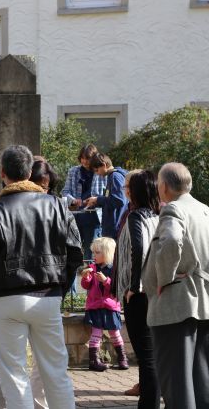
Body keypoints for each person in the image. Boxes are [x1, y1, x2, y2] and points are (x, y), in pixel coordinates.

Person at [0, 145, 82, 409]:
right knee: (56, 373)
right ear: (30, 171)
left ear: (3, 173)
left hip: (5, 299)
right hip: (47, 296)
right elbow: (75, 252)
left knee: (14, 377)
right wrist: (59, 289)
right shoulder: (56, 206)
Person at [142, 162, 209, 409]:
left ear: (164, 186)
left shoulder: (173, 210)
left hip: (175, 306)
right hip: (204, 303)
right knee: (201, 380)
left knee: (177, 384)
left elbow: (171, 240)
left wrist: (165, 277)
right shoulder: (205, 210)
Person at [113, 170, 160, 406]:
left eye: (128, 186)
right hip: (153, 290)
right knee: (150, 355)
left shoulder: (135, 217)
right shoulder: (158, 214)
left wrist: (132, 287)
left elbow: (137, 251)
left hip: (138, 294)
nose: (125, 190)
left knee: (146, 356)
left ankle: (148, 403)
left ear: (136, 190)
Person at [81, 237, 128, 371]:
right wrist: (86, 278)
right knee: (96, 333)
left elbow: (115, 288)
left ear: (107, 253)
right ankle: (93, 360)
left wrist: (105, 280)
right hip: (95, 306)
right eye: (93, 252)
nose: (93, 255)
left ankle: (122, 358)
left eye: (97, 252)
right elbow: (86, 285)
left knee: (115, 333)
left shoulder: (114, 269)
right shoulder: (92, 267)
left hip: (110, 306)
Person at [62, 144, 106, 260]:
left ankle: (90, 277)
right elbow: (65, 192)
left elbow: (105, 194)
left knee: (91, 252)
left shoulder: (101, 171)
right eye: (83, 158)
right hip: (75, 216)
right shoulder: (73, 171)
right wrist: (73, 200)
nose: (85, 161)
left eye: (88, 158)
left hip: (93, 216)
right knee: (73, 251)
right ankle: (75, 277)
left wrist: (95, 200)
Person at [85, 153, 128, 239]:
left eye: (97, 170)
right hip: (112, 228)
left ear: (104, 165)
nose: (97, 174)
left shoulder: (115, 177)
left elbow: (119, 200)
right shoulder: (111, 177)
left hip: (115, 229)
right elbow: (109, 199)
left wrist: (98, 199)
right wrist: (96, 202)